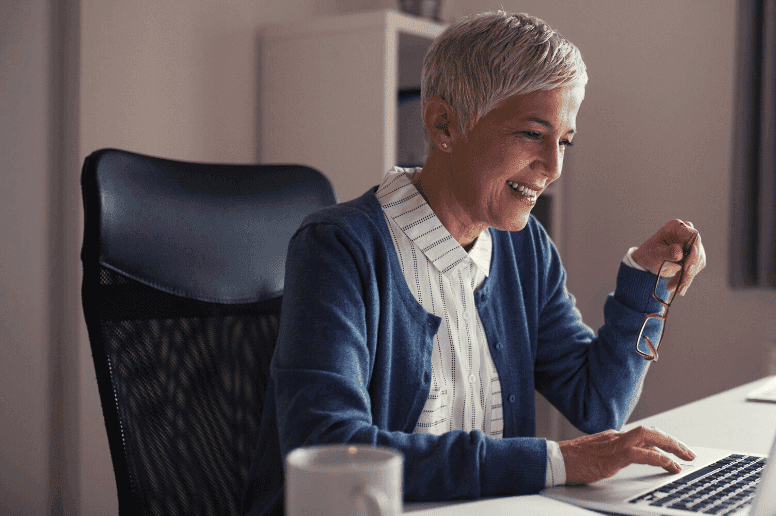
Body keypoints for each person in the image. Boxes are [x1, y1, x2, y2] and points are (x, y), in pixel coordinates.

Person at [242, 10, 706, 514]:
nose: (553, 168)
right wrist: (557, 462)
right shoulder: (339, 248)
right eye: (533, 134)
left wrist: (646, 280)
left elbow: (599, 403)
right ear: (445, 124)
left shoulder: (525, 247)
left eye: (564, 141)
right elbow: (331, 449)